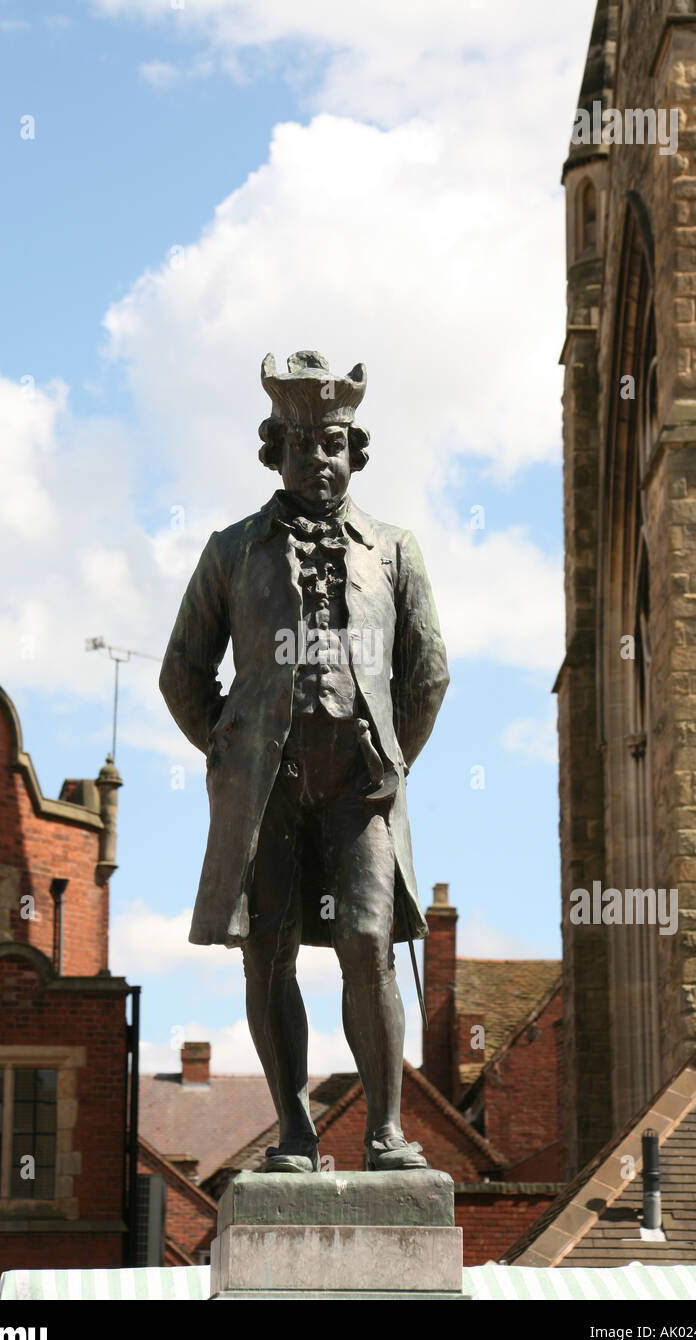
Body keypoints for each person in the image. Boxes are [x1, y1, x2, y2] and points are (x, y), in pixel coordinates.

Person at [160, 349, 449, 1173]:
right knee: (269, 949)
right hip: (269, 790)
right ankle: (294, 1132)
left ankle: (386, 1132)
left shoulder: (395, 551)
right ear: (274, 450)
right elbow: (182, 670)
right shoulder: (231, 550)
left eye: (333, 443)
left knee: (369, 942)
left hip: (359, 789)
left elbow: (427, 672)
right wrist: (233, 747)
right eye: (301, 445)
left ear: (355, 451)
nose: (318, 459)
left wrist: (393, 759)